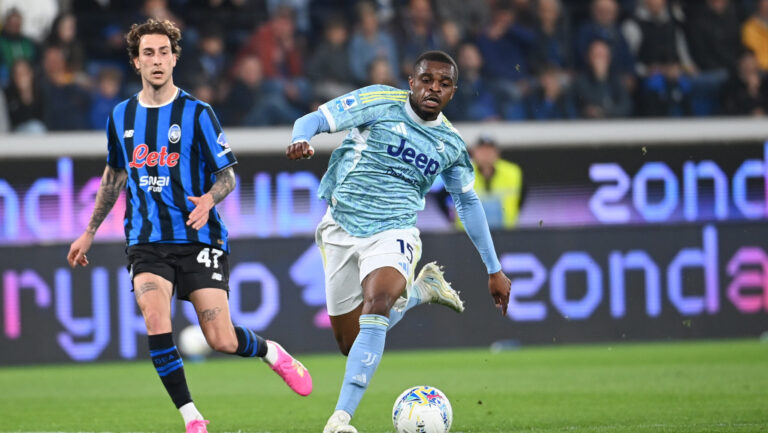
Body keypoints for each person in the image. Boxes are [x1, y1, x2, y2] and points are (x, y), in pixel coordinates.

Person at [66, 18, 312, 433]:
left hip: (199, 237)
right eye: (148, 53)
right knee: (155, 317)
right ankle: (191, 417)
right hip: (146, 240)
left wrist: (210, 199)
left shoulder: (198, 113)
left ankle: (272, 352)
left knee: (221, 339)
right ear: (136, 62)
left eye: (164, 52)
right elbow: (115, 175)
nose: (157, 60)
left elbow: (227, 176)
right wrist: (89, 231)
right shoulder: (121, 116)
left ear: (174, 58)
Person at [286, 50, 511, 433]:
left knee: (378, 303)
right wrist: (300, 139)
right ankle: (422, 291)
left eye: (443, 84)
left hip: (394, 231)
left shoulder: (450, 144)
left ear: (453, 92)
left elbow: (467, 202)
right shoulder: (378, 102)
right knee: (350, 342)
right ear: (411, 82)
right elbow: (314, 119)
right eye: (426, 80)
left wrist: (494, 268)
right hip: (340, 227)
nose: (433, 89)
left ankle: (340, 420)